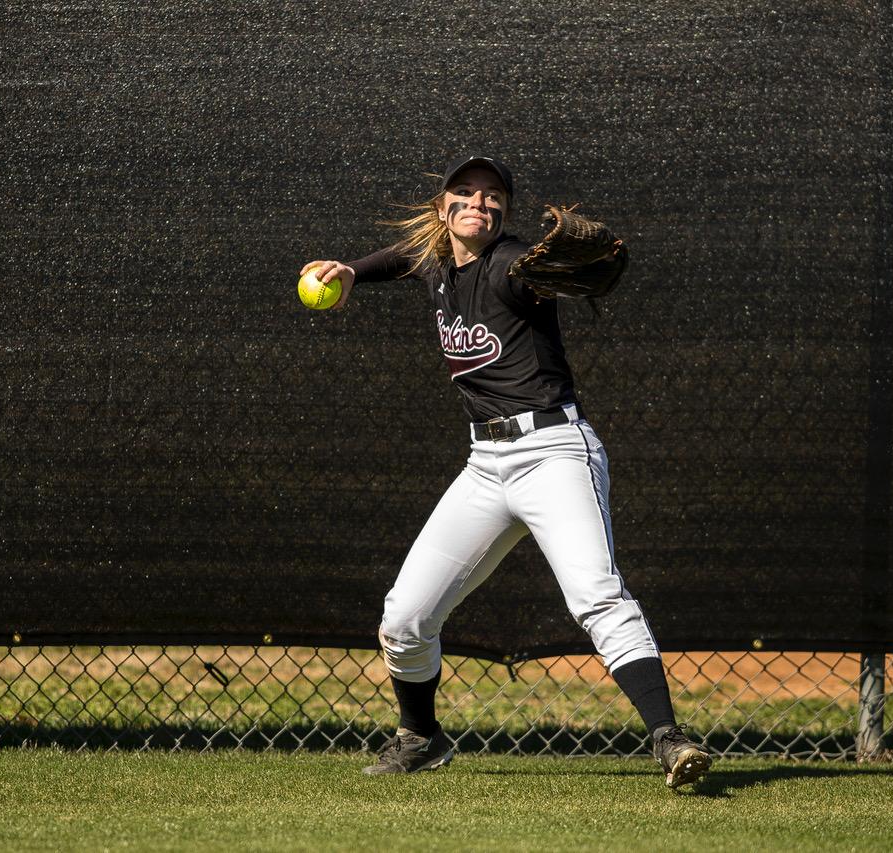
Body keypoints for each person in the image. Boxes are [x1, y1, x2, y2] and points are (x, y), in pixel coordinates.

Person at [300, 155, 711, 789]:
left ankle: (668, 738)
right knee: (404, 619)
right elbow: (402, 259)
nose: (479, 202)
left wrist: (571, 269)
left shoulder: (511, 265)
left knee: (596, 594)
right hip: (486, 466)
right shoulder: (439, 265)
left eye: (493, 197)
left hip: (554, 453)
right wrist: (350, 269)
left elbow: (530, 276)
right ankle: (421, 738)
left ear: (507, 215)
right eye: (464, 192)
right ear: (443, 208)